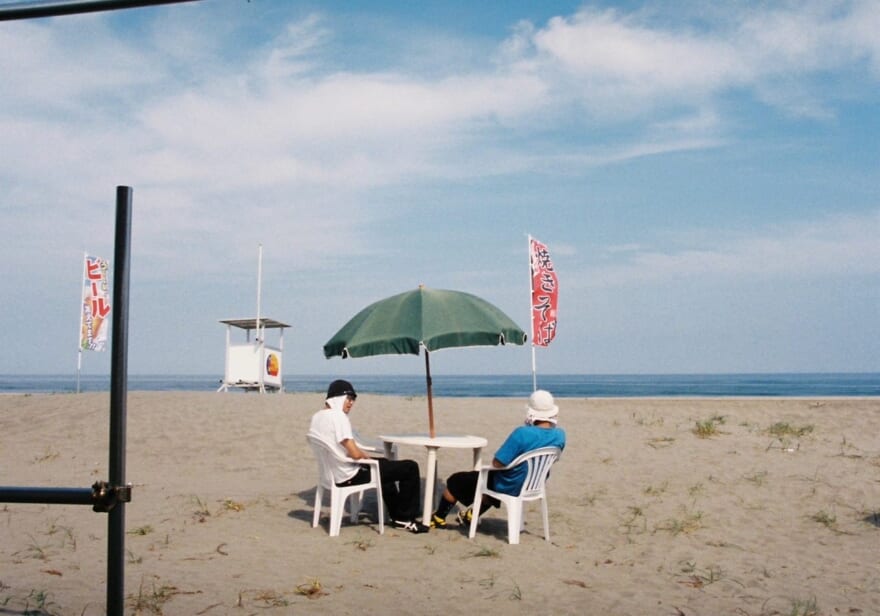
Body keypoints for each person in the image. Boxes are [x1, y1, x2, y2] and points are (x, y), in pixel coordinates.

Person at [430, 389, 566, 528]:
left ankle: (438, 517)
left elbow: (498, 463)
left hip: (509, 484)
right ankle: (471, 515)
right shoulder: (560, 435)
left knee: (457, 480)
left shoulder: (522, 433)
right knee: (492, 479)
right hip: (535, 483)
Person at [308, 379, 429, 534]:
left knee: (385, 465)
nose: (351, 403)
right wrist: (368, 458)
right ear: (337, 398)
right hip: (348, 474)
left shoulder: (317, 417)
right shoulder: (338, 417)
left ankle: (398, 515)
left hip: (332, 472)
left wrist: (369, 459)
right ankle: (406, 518)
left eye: (353, 399)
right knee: (410, 467)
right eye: (348, 398)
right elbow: (354, 453)